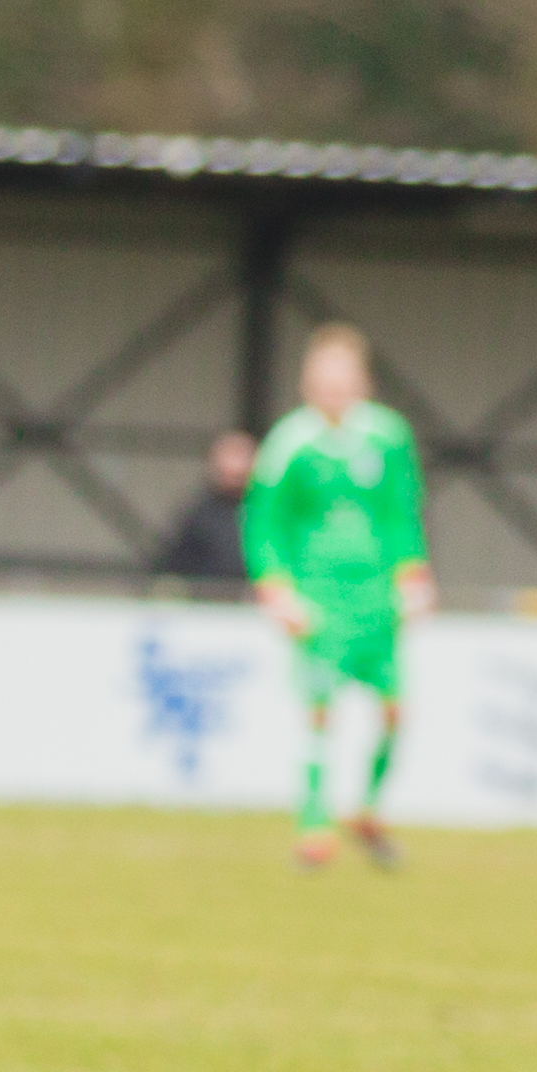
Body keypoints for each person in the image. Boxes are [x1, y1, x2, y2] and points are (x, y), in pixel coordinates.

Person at [244, 323, 432, 872]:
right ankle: (313, 826)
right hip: (320, 597)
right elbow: (264, 525)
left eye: (343, 378)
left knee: (396, 709)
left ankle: (368, 809)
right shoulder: (288, 444)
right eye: (324, 379)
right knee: (320, 710)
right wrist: (276, 589)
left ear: (362, 382)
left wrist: (414, 575)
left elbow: (402, 512)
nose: (334, 389)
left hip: (377, 598)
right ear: (307, 383)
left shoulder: (388, 437)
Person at [151, 428, 257, 583]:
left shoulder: (268, 514)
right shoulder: (197, 515)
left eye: (243, 456)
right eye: (232, 455)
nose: (237, 466)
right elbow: (173, 568)